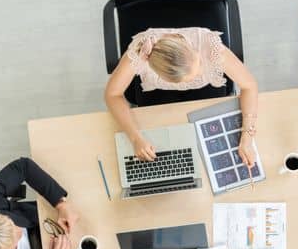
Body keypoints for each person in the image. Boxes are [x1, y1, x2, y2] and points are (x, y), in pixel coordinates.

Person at [105, 27, 262, 167]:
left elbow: (249, 85)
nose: (199, 72)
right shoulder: (142, 49)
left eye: (199, 62)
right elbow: (112, 94)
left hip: (205, 97)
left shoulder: (210, 47)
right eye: (189, 78)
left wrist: (247, 137)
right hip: (160, 101)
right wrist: (135, 138)